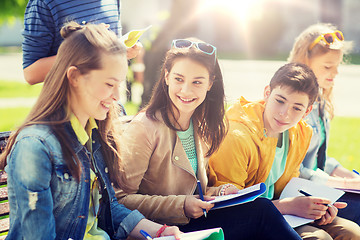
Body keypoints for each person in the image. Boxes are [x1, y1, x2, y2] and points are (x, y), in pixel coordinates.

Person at [0, 22, 180, 240]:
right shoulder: (35, 148)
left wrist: (161, 232)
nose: (116, 96)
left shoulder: (94, 133)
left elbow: (107, 210)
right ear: (74, 77)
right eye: (108, 84)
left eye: (119, 84)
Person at [115, 38, 302, 240]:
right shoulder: (144, 127)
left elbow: (195, 191)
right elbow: (120, 201)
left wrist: (221, 192)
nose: (186, 90)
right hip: (160, 230)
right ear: (167, 77)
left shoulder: (201, 125)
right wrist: (182, 205)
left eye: (197, 82)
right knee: (262, 214)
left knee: (260, 209)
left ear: (210, 83)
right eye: (179, 79)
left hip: (193, 223)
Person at [208, 63, 360, 239]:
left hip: (284, 212)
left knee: (352, 232)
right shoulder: (236, 136)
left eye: (297, 108)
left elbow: (289, 184)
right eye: (279, 101)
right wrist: (290, 206)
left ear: (307, 111)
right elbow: (230, 208)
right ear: (267, 93)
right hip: (251, 220)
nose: (285, 114)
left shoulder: (300, 132)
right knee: (319, 238)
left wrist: (317, 206)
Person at [288, 23, 360, 226]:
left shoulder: (320, 100)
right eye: (327, 67)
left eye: (337, 66)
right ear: (304, 63)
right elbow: (294, 168)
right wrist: (347, 183)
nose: (335, 73)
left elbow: (320, 157)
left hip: (319, 185)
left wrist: (351, 177)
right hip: (299, 192)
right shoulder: (293, 107)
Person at [22, 0, 141, 85]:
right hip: (68, 113)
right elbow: (31, 74)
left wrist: (122, 51)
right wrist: (87, 49)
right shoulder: (44, 3)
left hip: (111, 109)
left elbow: (108, 55)